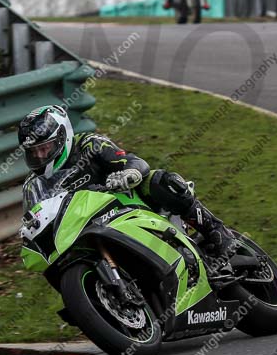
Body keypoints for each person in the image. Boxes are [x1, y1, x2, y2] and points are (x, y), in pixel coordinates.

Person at [18, 105, 236, 258]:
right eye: (33, 153)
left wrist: (129, 172)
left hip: (126, 206)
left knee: (159, 180)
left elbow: (132, 161)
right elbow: (36, 218)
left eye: (44, 149)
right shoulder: (33, 185)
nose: (39, 157)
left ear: (62, 137)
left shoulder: (88, 144)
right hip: (85, 233)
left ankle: (215, 231)